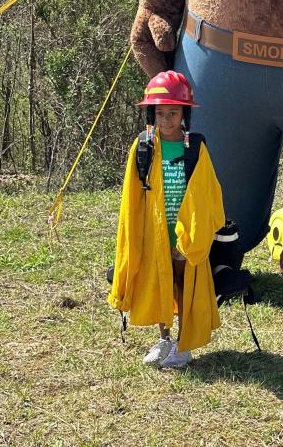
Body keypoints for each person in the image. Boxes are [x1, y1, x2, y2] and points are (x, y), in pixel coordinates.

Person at [108, 70, 225, 368]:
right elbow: (131, 198)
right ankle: (165, 340)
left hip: (184, 235)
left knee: (184, 287)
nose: (166, 120)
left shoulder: (196, 148)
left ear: (184, 113)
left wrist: (191, 238)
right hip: (155, 233)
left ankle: (184, 345)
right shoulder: (144, 147)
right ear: (152, 114)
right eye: (160, 113)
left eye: (173, 113)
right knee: (160, 285)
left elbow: (208, 194)